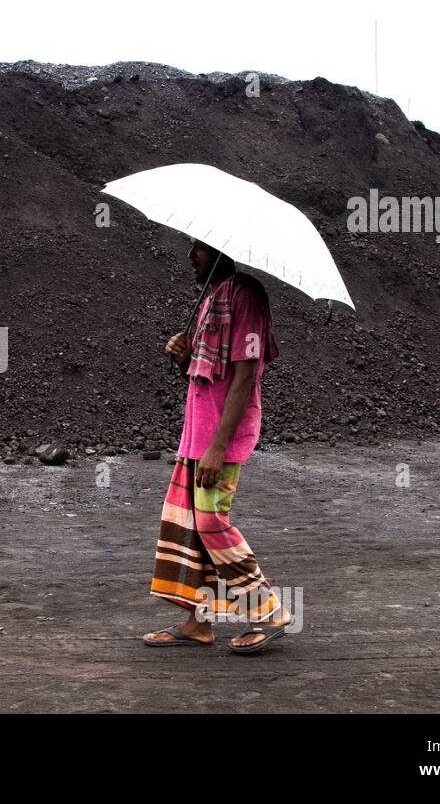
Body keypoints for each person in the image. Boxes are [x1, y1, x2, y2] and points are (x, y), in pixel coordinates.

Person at [143, 239, 291, 654]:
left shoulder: (246, 297)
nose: (190, 256)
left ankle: (270, 611)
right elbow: (207, 370)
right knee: (187, 523)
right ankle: (197, 622)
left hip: (219, 438)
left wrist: (216, 448)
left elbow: (246, 376)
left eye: (199, 248)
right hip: (197, 431)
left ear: (223, 250)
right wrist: (183, 355)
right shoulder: (213, 299)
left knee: (211, 521)